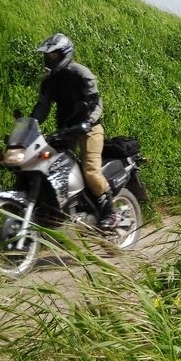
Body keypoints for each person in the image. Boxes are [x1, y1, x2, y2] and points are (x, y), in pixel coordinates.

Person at [30, 33, 119, 229]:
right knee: (51, 166)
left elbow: (95, 102)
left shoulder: (81, 73)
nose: (49, 59)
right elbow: (42, 107)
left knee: (90, 170)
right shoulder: (48, 81)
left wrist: (89, 121)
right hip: (65, 130)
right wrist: (31, 123)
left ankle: (109, 211)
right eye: (48, 55)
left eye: (53, 55)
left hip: (90, 130)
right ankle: (63, 210)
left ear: (65, 54)